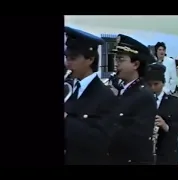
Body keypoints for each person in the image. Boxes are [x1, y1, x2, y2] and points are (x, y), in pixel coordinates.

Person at [64, 26, 123, 165]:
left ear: (90, 59)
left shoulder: (105, 95)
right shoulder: (69, 88)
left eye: (73, 58)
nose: (68, 64)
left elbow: (101, 140)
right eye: (66, 58)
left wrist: (66, 120)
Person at [106, 34, 158, 165]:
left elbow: (136, 137)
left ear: (135, 64)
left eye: (121, 60)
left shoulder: (144, 95)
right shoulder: (124, 89)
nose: (116, 64)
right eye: (116, 59)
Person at [145, 63, 178, 165]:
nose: (152, 88)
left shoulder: (174, 102)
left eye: (156, 84)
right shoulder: (142, 101)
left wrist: (166, 126)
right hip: (147, 154)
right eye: (149, 84)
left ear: (163, 83)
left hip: (168, 153)